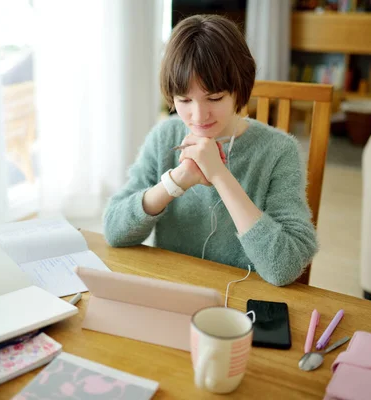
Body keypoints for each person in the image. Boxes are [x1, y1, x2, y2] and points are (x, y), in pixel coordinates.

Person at [103, 15, 318, 286]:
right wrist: (176, 181)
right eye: (184, 100)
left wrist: (219, 174)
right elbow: (114, 230)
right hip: (173, 290)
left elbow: (284, 266)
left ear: (239, 89)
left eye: (214, 98)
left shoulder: (278, 151)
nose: (198, 115)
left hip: (240, 305)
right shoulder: (164, 136)